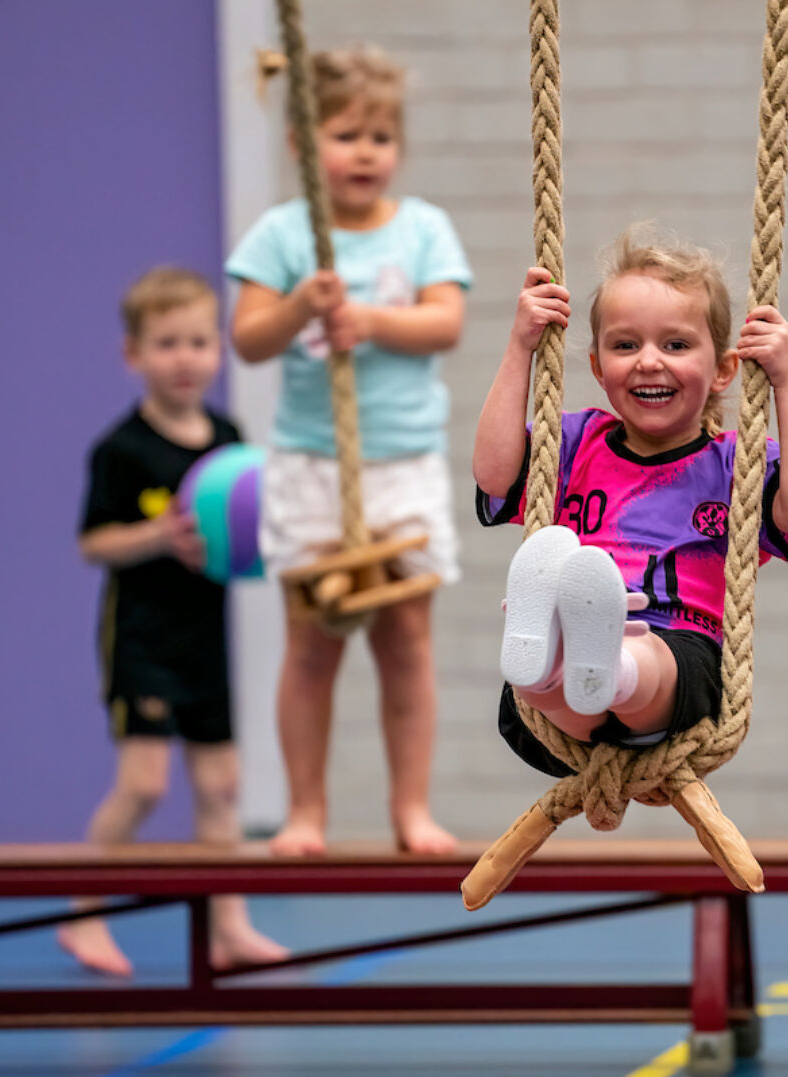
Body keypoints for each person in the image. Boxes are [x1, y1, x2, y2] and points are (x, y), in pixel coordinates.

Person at [227, 46, 472, 856]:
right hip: (313, 464)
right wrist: (303, 301)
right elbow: (249, 339)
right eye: (344, 134)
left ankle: (411, 808)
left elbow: (445, 321)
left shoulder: (423, 228)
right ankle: (305, 811)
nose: (365, 151)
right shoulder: (285, 235)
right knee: (312, 644)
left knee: (405, 640)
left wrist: (367, 321)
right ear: (302, 143)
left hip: (400, 463)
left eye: (380, 136)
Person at [472, 228, 788, 767]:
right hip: (562, 703)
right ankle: (552, 662)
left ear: (724, 370)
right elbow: (495, 476)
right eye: (625, 344)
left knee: (648, 660)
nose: (648, 361)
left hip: (682, 655)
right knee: (547, 683)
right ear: (597, 367)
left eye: (676, 344)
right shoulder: (573, 444)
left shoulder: (736, 463)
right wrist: (521, 347)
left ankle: (607, 665)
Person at [63, 267, 288, 977]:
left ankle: (229, 924)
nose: (184, 357)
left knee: (222, 785)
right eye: (166, 344)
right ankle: (84, 913)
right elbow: (92, 542)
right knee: (145, 784)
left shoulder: (228, 434)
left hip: (204, 640)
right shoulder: (121, 448)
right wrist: (157, 535)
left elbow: (245, 521)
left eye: (197, 341)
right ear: (134, 354)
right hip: (141, 640)